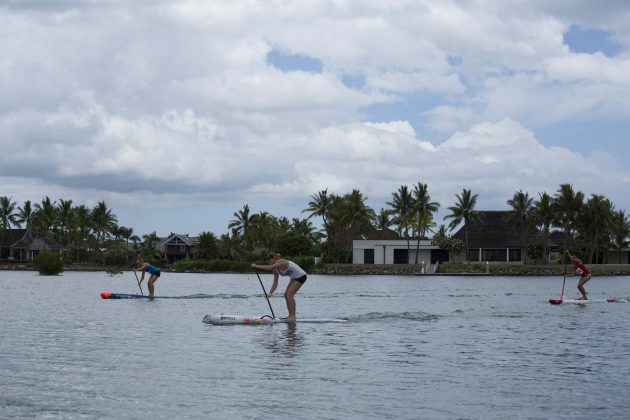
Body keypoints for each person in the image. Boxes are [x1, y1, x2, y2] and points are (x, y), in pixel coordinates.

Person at [251, 253, 307, 320]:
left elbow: (269, 268)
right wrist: (270, 293)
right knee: (286, 295)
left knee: (289, 294)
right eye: (267, 260)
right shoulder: (275, 269)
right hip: (294, 278)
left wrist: (256, 266)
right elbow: (275, 282)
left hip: (301, 276)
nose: (268, 262)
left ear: (274, 259)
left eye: (269, 260)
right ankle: (290, 316)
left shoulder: (280, 261)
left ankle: (293, 316)